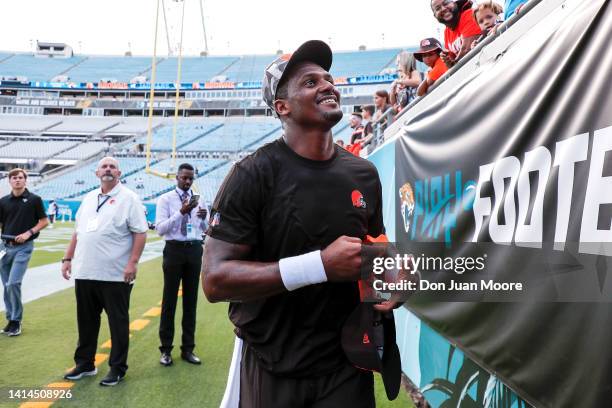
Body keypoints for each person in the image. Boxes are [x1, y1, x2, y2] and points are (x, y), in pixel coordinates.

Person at [203, 40, 398, 408]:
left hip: (347, 365)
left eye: (328, 78)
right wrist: (319, 265)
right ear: (282, 107)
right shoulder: (252, 174)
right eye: (310, 83)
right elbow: (215, 280)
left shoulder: (364, 173)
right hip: (272, 363)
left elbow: (377, 250)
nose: (327, 85)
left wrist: (392, 280)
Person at [62, 157, 148, 386]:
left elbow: (140, 232)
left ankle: (117, 368)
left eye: (112, 166)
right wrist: (67, 257)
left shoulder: (129, 198)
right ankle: (85, 363)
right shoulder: (89, 197)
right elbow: (77, 232)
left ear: (119, 172)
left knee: (118, 323)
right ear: (96, 172)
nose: (108, 169)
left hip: (115, 274)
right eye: (104, 166)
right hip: (85, 270)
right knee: (86, 321)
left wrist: (133, 262)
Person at [155, 163, 208, 366]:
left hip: (194, 249)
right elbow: (160, 229)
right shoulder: (166, 199)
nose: (187, 181)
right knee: (169, 301)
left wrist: (204, 219)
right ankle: (166, 350)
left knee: (191, 301)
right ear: (176, 177)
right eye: (184, 177)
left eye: (190, 178)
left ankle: (188, 349)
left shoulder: (200, 199)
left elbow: (203, 228)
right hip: (174, 249)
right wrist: (181, 212)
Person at [0, 168, 49, 337]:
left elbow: (44, 221)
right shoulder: (3, 201)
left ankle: (16, 320)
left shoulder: (34, 199)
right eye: (14, 178)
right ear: (9, 181)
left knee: (13, 283)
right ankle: (10, 319)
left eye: (20, 178)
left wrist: (29, 233)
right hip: (4, 248)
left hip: (24, 247)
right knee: (6, 286)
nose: (17, 180)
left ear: (25, 180)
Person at [430, 0, 481, 67]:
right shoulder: (446, 33)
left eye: (446, 3)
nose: (443, 9)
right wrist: (446, 59)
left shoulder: (469, 14)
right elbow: (452, 58)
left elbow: (467, 49)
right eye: (438, 8)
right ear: (435, 16)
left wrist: (453, 64)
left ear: (454, 3)